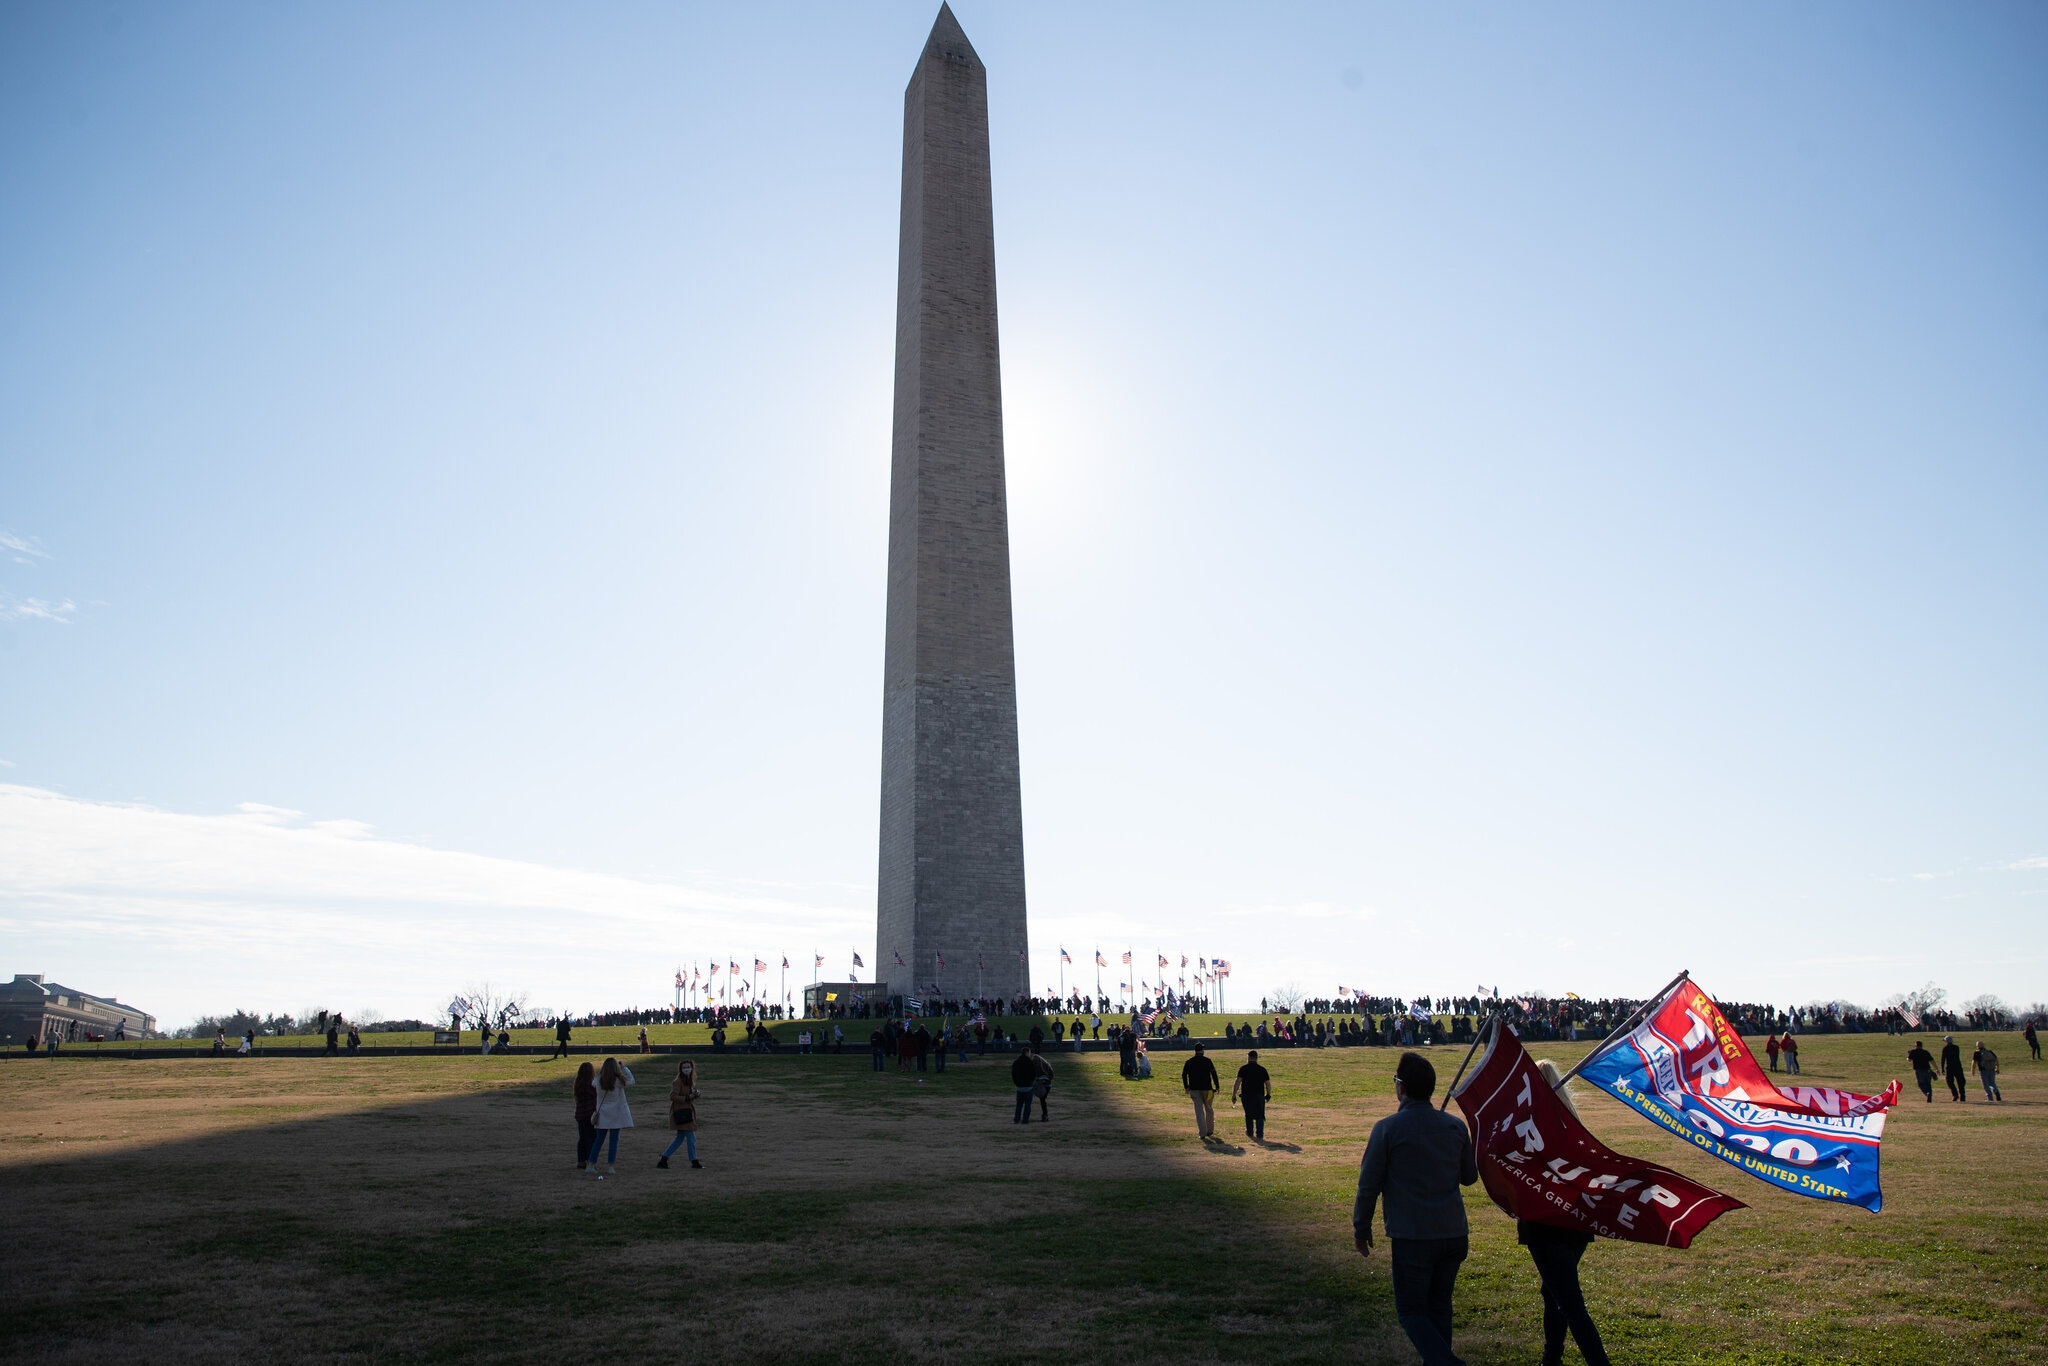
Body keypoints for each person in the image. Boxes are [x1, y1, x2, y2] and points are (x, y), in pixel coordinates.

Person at [1354, 1051, 1478, 1366]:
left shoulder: (1387, 1129)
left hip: (1413, 1236)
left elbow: (1369, 1185)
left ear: (1402, 1087)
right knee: (1440, 1308)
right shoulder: (1454, 1126)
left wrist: (1361, 1227)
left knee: (1411, 1312)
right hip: (1453, 1232)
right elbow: (1469, 1177)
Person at [1520, 1060, 1613, 1366]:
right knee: (1554, 1292)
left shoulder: (1531, 1125)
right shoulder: (1573, 1121)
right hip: (1575, 1223)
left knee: (1570, 1303)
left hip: (1546, 1224)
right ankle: (1552, 1357)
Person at [587, 1056, 635, 1178]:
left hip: (602, 1113)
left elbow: (593, 1083)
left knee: (598, 1140)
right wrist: (624, 1068)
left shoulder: (598, 1080)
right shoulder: (618, 1081)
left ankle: (591, 1164)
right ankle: (611, 1166)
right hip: (616, 1114)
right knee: (613, 1141)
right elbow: (631, 1081)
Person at [657, 1059, 703, 1168]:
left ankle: (664, 1159)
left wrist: (695, 1094)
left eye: (688, 1067)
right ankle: (694, 1161)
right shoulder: (678, 1081)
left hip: (686, 1111)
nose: (687, 1069)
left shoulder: (689, 1080)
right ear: (681, 1069)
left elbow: (688, 1095)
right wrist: (688, 1097)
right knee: (691, 1137)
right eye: (684, 1067)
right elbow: (673, 1096)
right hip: (682, 1113)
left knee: (680, 1138)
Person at [1182, 1043, 1221, 1140]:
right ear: (1202, 1051)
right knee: (1209, 1109)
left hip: (1194, 1089)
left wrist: (1186, 1087)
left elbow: (1184, 1075)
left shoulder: (1189, 1062)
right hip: (1207, 1089)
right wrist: (1217, 1086)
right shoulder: (1207, 1061)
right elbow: (1213, 1073)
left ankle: (1202, 1133)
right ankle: (1210, 1130)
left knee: (1199, 1112)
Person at [1233, 1050, 1272, 1141]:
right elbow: (1268, 1084)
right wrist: (1268, 1094)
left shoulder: (1243, 1069)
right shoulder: (1262, 1069)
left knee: (1248, 1114)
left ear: (1248, 1057)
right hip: (1259, 1095)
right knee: (1260, 1115)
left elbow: (1237, 1082)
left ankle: (1250, 1132)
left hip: (1247, 1095)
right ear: (1256, 1058)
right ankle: (1260, 1134)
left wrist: (1234, 1094)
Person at [573, 1061, 598, 1170]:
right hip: (589, 1114)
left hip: (580, 1115)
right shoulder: (592, 1085)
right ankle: (590, 1160)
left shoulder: (578, 1083)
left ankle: (581, 1161)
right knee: (591, 1138)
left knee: (582, 1138)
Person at [1011, 1046, 1040, 1124]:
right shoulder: (1030, 1062)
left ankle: (1016, 1119)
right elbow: (1033, 1074)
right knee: (1027, 1104)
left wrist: (1016, 1083)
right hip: (1028, 1086)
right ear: (1027, 1053)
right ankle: (1025, 1120)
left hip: (1019, 1086)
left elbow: (1013, 1074)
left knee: (1019, 1104)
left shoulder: (1016, 1062)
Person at [1940, 1035, 1966, 1102]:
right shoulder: (1956, 1047)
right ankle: (1962, 1095)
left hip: (1950, 1067)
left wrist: (1942, 1068)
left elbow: (1943, 1059)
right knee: (1960, 1082)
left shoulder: (1945, 1048)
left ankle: (1955, 1094)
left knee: (1949, 1082)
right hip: (1958, 1066)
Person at [1033, 1048, 1055, 1121]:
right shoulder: (1046, 1065)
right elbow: (1051, 1075)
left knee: (1042, 1100)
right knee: (1042, 1100)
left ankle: (1045, 1115)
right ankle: (1045, 1115)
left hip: (1043, 1085)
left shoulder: (1036, 1067)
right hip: (1047, 1085)